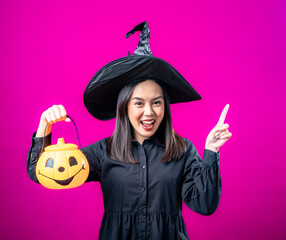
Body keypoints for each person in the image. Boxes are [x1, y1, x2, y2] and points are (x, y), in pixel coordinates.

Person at [27, 22, 232, 240]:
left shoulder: (182, 150)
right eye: (139, 103)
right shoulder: (103, 152)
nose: (149, 112)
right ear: (124, 107)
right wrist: (44, 127)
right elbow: (40, 175)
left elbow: (205, 204)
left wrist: (211, 152)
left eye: (157, 102)